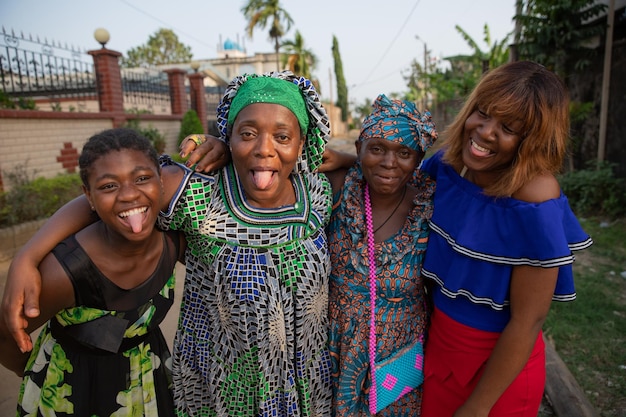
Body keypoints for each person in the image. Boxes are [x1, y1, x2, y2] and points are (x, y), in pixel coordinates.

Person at [1, 70, 333, 416]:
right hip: (222, 391)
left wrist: (349, 159)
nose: (264, 149)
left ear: (302, 143)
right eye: (247, 133)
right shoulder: (199, 192)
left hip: (306, 385)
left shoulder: (320, 193)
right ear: (229, 136)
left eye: (282, 136)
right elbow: (120, 194)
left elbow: (381, 167)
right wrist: (28, 255)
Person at [417, 61, 592, 416]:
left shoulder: (535, 201)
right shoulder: (448, 168)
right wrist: (352, 160)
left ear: (533, 140)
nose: (484, 131)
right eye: (482, 112)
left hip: (498, 378)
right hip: (437, 353)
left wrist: (477, 408)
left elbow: (528, 322)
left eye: (508, 127)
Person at [0, 128, 186, 416]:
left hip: (149, 380)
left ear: (161, 182)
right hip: (74, 390)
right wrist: (36, 372)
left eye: (141, 179)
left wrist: (215, 145)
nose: (128, 194)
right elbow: (5, 336)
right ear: (88, 196)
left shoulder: (175, 239)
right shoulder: (65, 272)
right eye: (109, 186)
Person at [324, 94, 437, 416]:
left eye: (404, 153)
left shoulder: (431, 206)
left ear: (417, 158)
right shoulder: (337, 190)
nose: (389, 163)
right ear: (359, 148)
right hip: (334, 351)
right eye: (377, 149)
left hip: (401, 357)